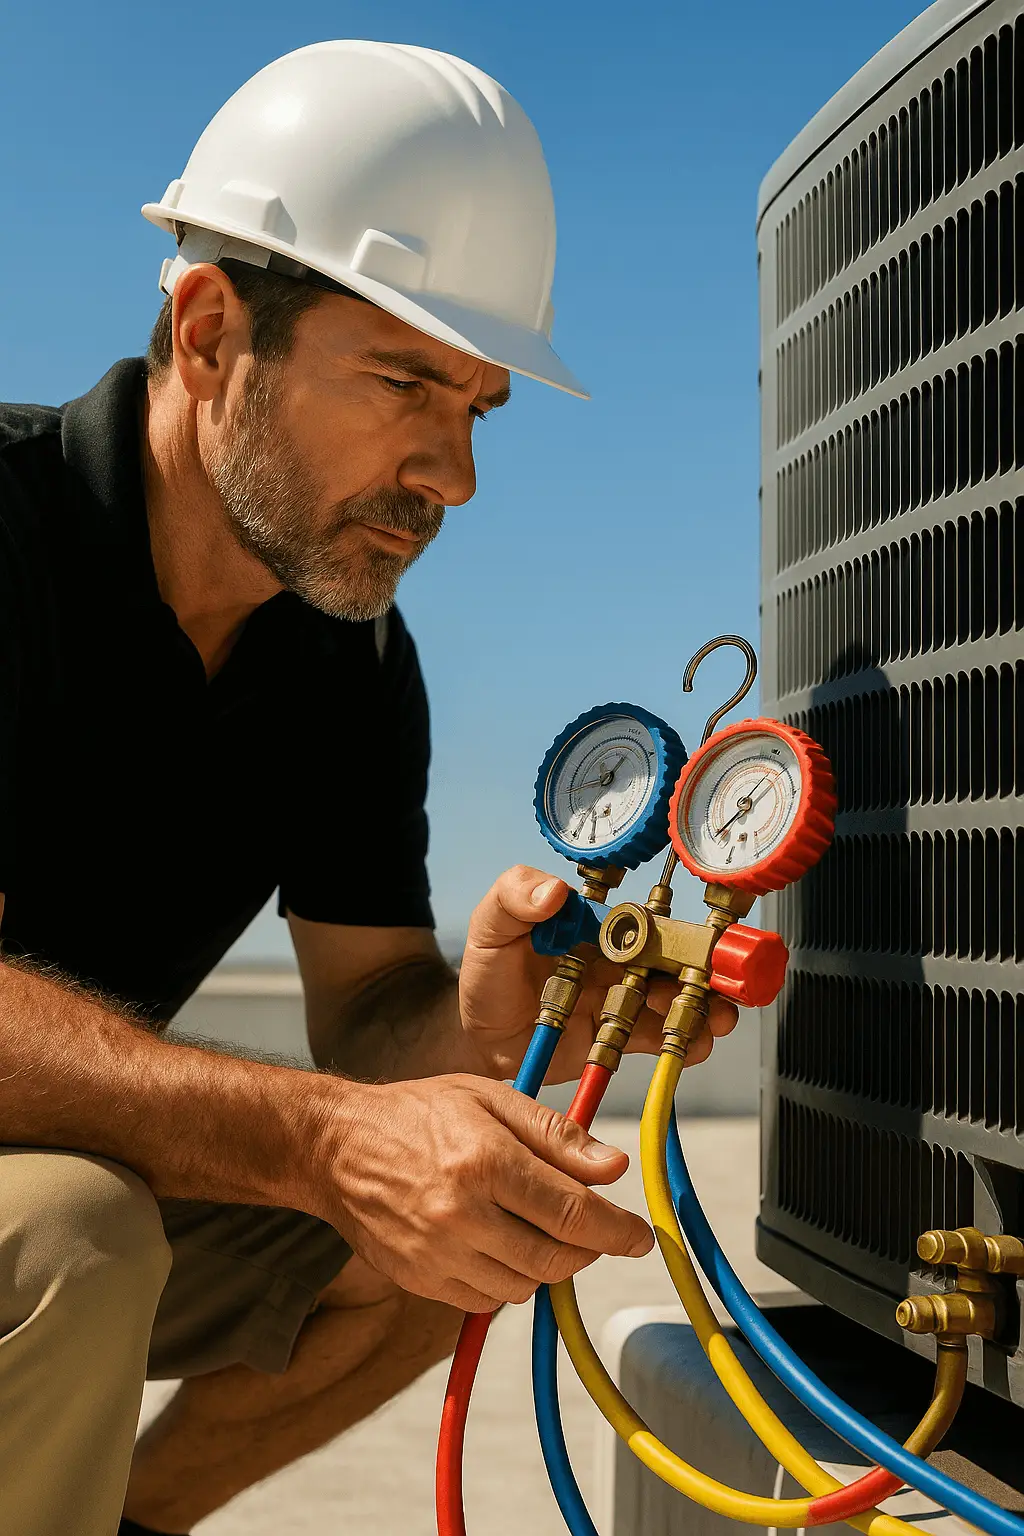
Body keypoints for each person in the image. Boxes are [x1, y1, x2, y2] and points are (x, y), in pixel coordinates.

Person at [0, 40, 737, 1536]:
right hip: (56, 1209)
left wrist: (501, 1015)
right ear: (211, 333)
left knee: (463, 1224)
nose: (452, 476)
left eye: (477, 408)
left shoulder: (343, 656)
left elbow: (370, 1014)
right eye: (403, 382)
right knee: (76, 1234)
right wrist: (329, 1144)